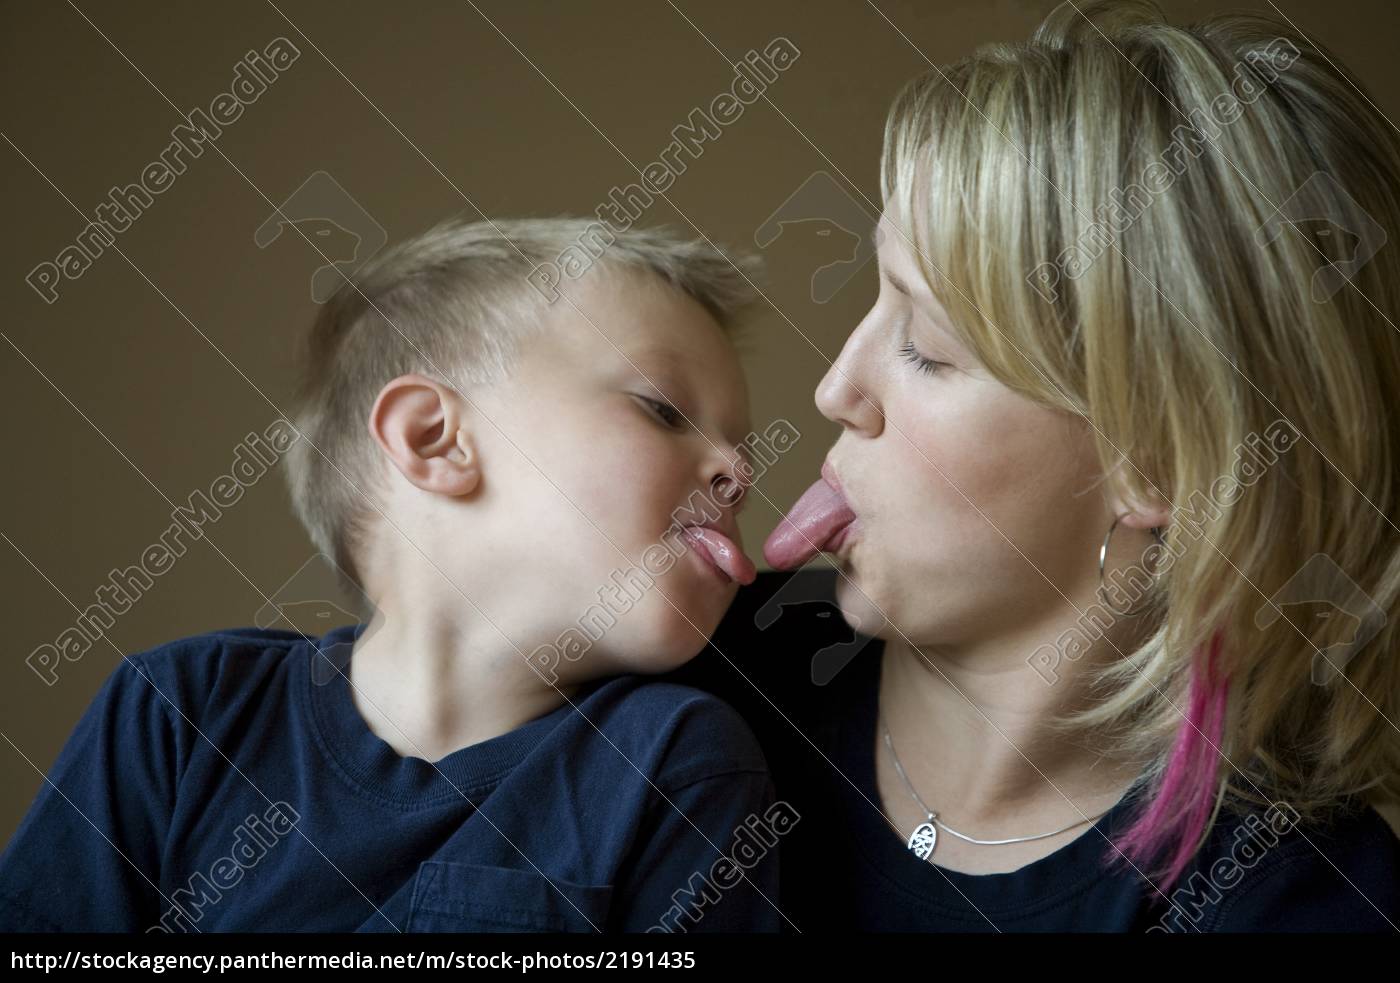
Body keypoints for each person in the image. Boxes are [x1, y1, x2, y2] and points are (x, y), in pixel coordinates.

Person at [671, 0, 1400, 932]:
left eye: (928, 346)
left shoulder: (1293, 901)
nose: (835, 387)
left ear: (1158, 466)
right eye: (875, 293)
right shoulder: (701, 679)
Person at [0, 217, 786, 933]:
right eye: (663, 409)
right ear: (433, 439)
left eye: (739, 442)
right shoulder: (180, 717)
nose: (739, 471)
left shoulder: (677, 763)